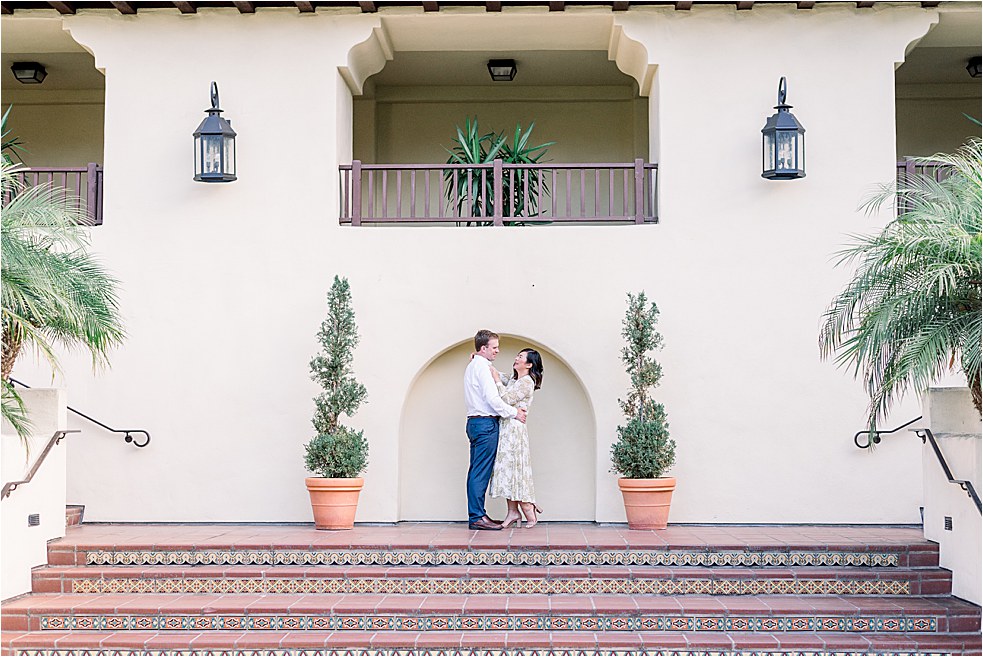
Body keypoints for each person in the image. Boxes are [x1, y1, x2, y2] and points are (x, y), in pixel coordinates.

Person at [463, 330, 527, 531]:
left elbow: (499, 378)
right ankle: (477, 517)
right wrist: (514, 413)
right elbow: (493, 400)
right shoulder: (481, 367)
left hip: (476, 423)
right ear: (483, 348)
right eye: (494, 347)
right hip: (485, 424)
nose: (498, 351)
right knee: (480, 472)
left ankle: (478, 515)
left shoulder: (476, 365)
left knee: (476, 470)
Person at [488, 349, 545, 528]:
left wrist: (497, 380)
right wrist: (483, 362)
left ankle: (528, 507)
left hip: (514, 431)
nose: (516, 358)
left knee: (515, 468)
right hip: (506, 428)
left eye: (520, 357)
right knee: (507, 470)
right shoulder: (515, 380)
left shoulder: (527, 382)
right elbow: (499, 375)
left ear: (529, 364)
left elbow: (506, 398)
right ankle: (513, 512)